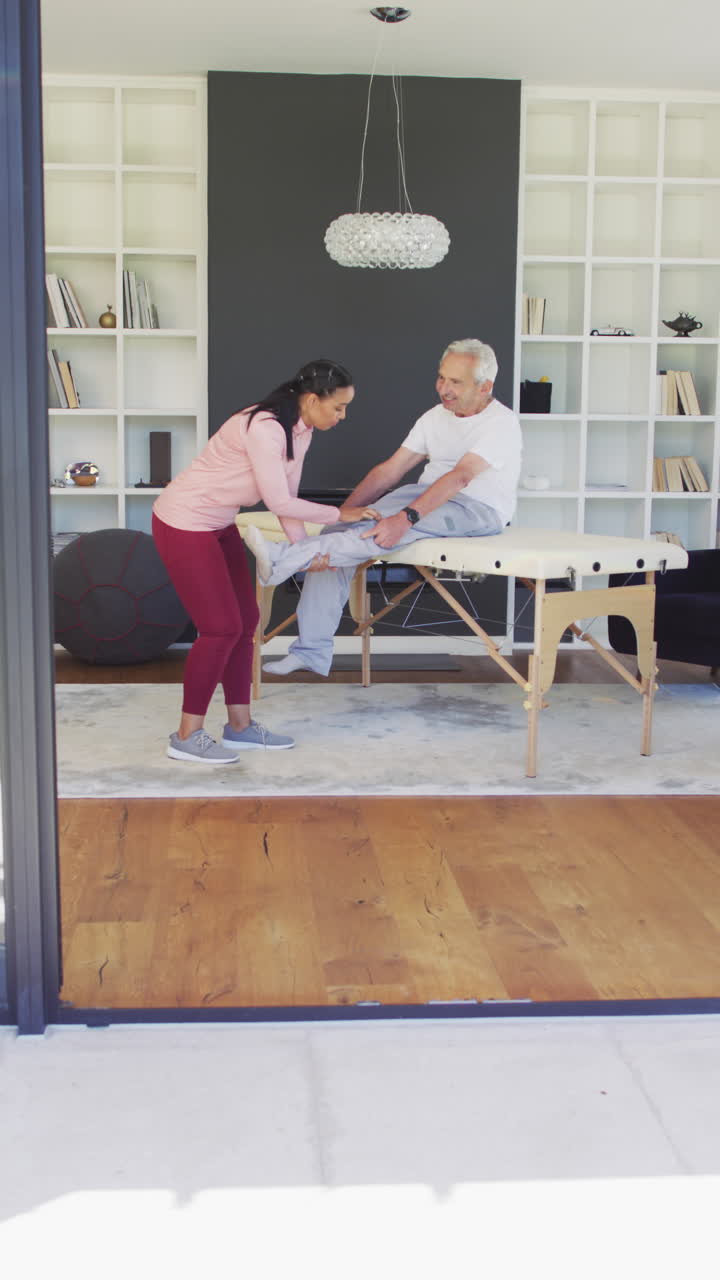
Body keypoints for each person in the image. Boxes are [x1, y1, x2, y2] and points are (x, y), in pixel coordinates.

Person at [242, 339, 522, 679]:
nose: (443, 388)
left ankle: (284, 557)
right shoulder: (435, 416)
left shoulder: (500, 423)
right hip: (421, 494)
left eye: (455, 382)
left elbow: (460, 477)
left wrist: (405, 519)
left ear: (485, 386)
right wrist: (345, 515)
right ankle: (312, 651)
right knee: (341, 536)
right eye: (441, 377)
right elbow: (391, 469)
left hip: (476, 507)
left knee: (376, 535)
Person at [152, 359, 379, 762]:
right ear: (312, 399)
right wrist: (340, 515)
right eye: (338, 407)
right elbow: (277, 501)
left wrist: (302, 553)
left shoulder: (301, 429)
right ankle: (186, 735)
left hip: (219, 523)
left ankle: (239, 726)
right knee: (220, 628)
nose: (342, 416)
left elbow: (286, 503)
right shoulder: (264, 427)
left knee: (246, 623)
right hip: (183, 521)